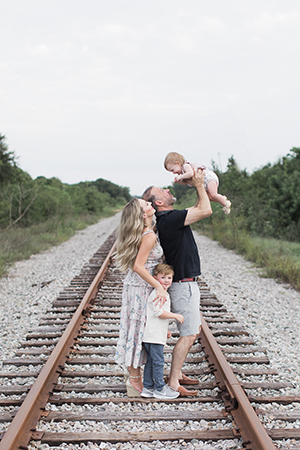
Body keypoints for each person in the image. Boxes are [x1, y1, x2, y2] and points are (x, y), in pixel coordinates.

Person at [142, 167, 212, 396]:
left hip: (183, 282)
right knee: (190, 333)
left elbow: (200, 207)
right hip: (184, 283)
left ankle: (177, 373)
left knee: (192, 329)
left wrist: (195, 185)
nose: (167, 189)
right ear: (159, 202)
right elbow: (206, 210)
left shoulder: (168, 218)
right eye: (162, 190)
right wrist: (199, 184)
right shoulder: (169, 218)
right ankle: (173, 382)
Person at [114, 197, 168, 397]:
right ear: (143, 214)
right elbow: (138, 266)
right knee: (137, 331)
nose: (150, 203)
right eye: (146, 204)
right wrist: (159, 286)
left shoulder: (146, 233)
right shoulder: (148, 236)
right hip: (140, 287)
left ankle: (135, 376)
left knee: (137, 330)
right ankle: (134, 379)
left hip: (137, 287)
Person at [141, 263, 184, 400]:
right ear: (155, 278)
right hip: (154, 337)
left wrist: (165, 330)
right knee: (158, 362)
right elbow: (159, 312)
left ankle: (148, 388)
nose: (166, 280)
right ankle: (160, 389)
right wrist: (174, 315)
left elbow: (154, 316)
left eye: (169, 278)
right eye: (163, 277)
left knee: (151, 362)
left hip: (151, 335)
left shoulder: (159, 293)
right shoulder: (161, 294)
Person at [164, 151, 231, 214]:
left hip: (209, 179)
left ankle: (225, 204)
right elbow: (187, 182)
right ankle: (222, 199)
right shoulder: (183, 173)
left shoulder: (185, 166)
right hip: (203, 183)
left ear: (178, 163)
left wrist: (181, 177)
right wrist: (180, 182)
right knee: (208, 198)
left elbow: (191, 173)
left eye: (172, 170)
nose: (173, 173)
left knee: (213, 194)